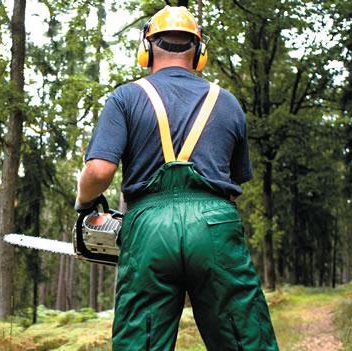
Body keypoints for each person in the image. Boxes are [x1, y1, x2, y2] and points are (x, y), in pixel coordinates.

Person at [74, 6, 279, 350]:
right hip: (215, 225)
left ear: (147, 47)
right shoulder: (227, 103)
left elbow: (98, 171)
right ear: (199, 51)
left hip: (149, 229)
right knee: (245, 336)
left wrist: (84, 203)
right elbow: (235, 180)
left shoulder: (125, 98)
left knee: (142, 339)